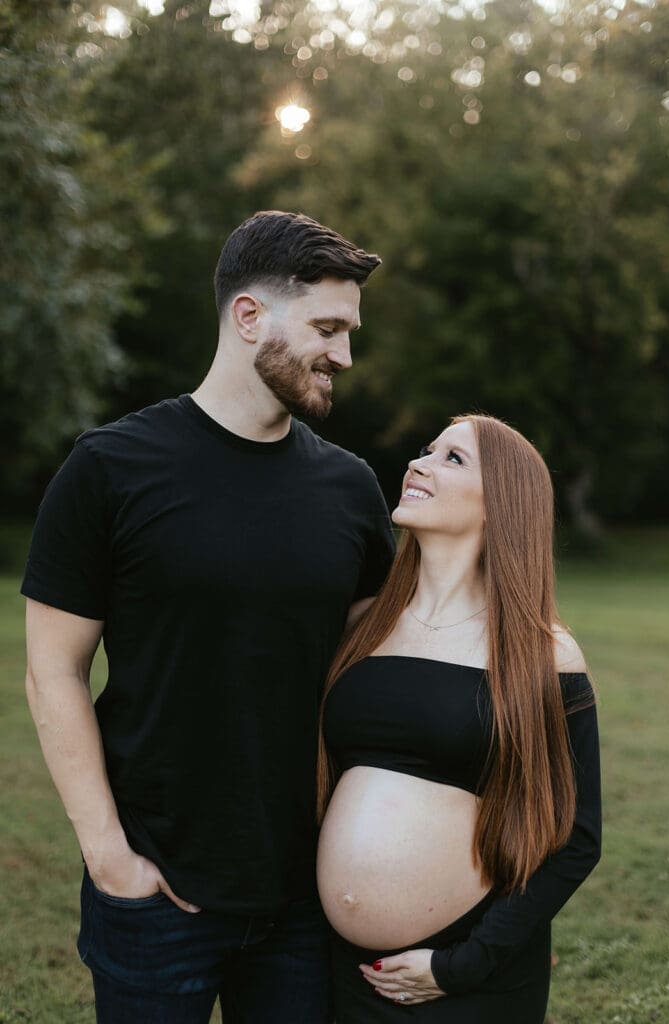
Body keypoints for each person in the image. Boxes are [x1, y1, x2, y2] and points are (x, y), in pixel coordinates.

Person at [21, 211, 395, 1024]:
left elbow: (373, 673)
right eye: (327, 328)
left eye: (349, 331)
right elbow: (52, 670)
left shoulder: (351, 489)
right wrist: (110, 858)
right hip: (156, 892)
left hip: (309, 892)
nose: (344, 355)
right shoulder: (109, 468)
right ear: (248, 316)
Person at [317, 414, 601, 1023]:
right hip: (342, 968)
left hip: (465, 979)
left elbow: (576, 837)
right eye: (426, 450)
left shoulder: (542, 653)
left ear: (501, 504)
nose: (419, 463)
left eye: (452, 459)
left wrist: (462, 965)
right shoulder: (363, 626)